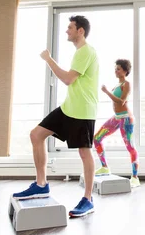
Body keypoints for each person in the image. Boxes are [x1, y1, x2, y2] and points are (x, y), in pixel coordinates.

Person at [12, 15, 99, 218]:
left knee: (85, 153)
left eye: (70, 27)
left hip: (83, 111)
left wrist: (48, 59)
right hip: (69, 108)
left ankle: (88, 199)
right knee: (36, 135)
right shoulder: (80, 52)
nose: (66, 30)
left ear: (81, 31)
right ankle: (41, 184)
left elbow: (68, 79)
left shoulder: (86, 51)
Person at [93, 59, 140, 188]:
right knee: (96, 138)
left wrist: (107, 92)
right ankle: (104, 167)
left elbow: (121, 102)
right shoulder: (116, 85)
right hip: (117, 118)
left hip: (126, 119)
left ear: (125, 71)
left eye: (118, 68)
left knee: (130, 147)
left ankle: (135, 177)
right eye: (115, 68)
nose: (116, 70)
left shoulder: (126, 84)